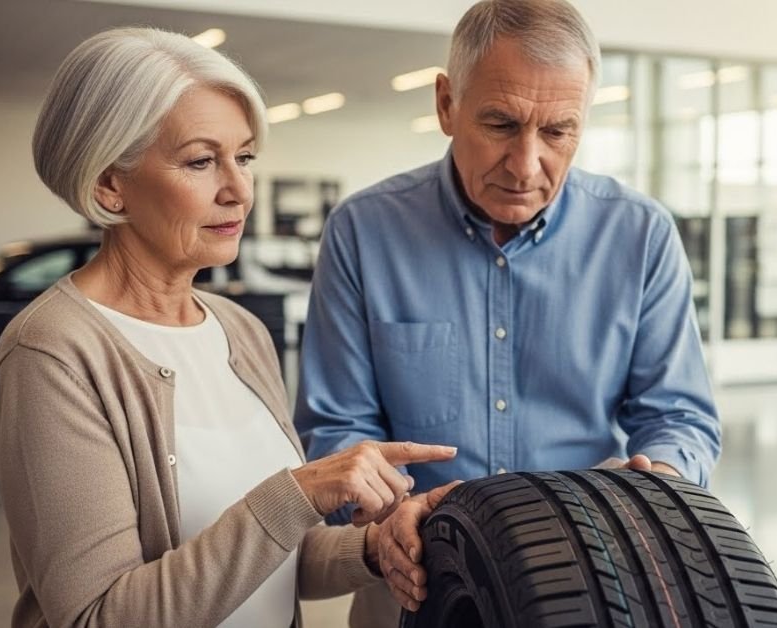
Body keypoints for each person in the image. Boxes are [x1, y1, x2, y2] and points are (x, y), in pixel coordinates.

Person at [0, 27, 457, 627]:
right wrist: (299, 493)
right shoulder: (53, 353)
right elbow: (99, 616)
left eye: (243, 158)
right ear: (110, 183)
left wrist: (375, 545)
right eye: (201, 161)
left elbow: (272, 554)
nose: (238, 190)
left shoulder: (238, 331)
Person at [293, 0, 721, 622]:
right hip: (413, 577)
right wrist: (388, 515)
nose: (526, 165)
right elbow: (336, 434)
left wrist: (653, 478)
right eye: (500, 124)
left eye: (557, 131)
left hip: (588, 580)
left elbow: (679, 415)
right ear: (446, 105)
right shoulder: (364, 232)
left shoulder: (640, 234)